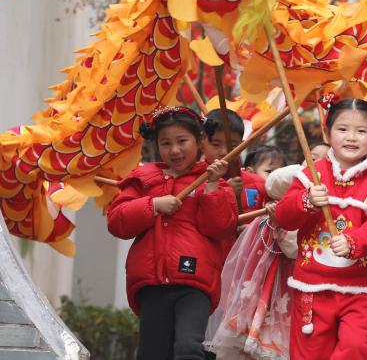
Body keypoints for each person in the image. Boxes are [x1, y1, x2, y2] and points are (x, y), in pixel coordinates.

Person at [107, 106, 238, 360]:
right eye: (166, 143)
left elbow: (221, 228)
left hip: (195, 282)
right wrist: (153, 205)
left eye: (182, 141)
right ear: (156, 145)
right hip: (151, 283)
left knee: (188, 348)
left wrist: (211, 187)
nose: (175, 150)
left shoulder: (212, 179)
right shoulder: (144, 178)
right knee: (152, 354)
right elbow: (117, 221)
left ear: (200, 141)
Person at [275, 98, 367, 360]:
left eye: (361, 131)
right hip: (312, 287)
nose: (351, 137)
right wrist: (306, 201)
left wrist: (354, 242)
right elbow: (285, 217)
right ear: (327, 131)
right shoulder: (310, 174)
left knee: (357, 348)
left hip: (360, 288)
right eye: (342, 129)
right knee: (309, 354)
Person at [205, 163, 303, 360]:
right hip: (255, 298)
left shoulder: (304, 220)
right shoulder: (265, 221)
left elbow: (293, 249)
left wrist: (284, 222)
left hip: (289, 300)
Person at [204, 109, 267, 211]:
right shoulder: (191, 184)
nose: (224, 152)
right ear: (201, 144)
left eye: (232, 146)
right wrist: (226, 192)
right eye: (216, 144)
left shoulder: (258, 184)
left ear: (242, 146)